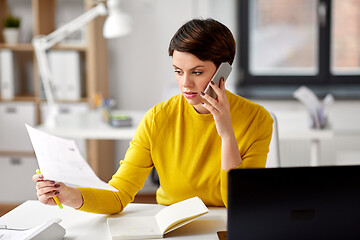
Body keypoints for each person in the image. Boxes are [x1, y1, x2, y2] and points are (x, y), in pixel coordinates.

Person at [33, 18, 273, 214]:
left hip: (227, 226)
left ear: (224, 70)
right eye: (178, 72)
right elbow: (119, 195)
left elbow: (239, 203)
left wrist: (227, 134)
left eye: (197, 72)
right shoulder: (158, 118)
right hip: (174, 224)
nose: (185, 84)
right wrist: (68, 194)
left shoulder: (257, 119)